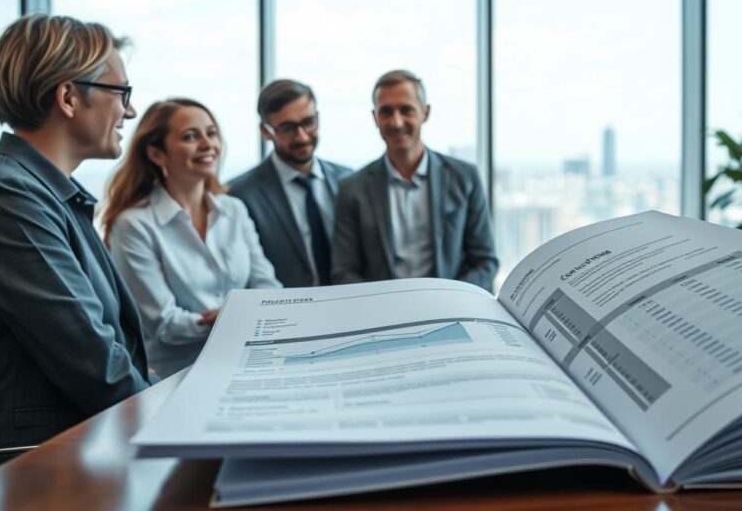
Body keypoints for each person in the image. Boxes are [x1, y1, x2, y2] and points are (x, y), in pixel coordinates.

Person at [0, 14, 150, 484]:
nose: (129, 113)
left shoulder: (43, 194)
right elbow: (96, 365)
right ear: (69, 97)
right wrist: (184, 427)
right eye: (122, 93)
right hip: (35, 477)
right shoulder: (7, 200)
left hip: (73, 457)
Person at [105, 98, 281, 378]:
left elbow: (269, 289)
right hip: (177, 377)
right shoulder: (134, 225)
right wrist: (238, 315)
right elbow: (163, 323)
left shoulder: (234, 210)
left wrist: (230, 315)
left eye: (211, 133)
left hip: (246, 366)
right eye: (190, 136)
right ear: (156, 154)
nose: (207, 144)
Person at [332, 70, 498, 291]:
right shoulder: (351, 188)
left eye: (406, 110)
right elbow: (344, 271)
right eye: (386, 112)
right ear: (375, 118)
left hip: (451, 309)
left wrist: (453, 299)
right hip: (383, 315)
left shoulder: (465, 178)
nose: (396, 121)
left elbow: (486, 262)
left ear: (425, 112)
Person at [227, 80, 352, 288]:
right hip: (282, 315)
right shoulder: (239, 195)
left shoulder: (348, 181)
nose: (302, 136)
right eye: (287, 128)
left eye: (309, 122)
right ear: (266, 131)